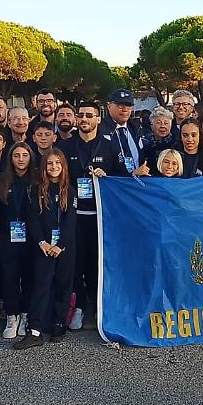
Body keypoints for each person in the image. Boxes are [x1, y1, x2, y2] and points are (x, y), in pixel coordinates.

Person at [57, 102, 125, 328]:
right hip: (74, 215)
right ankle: (77, 306)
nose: (84, 119)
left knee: (98, 262)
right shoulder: (66, 147)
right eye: (81, 115)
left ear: (98, 119)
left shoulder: (110, 146)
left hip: (100, 216)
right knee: (75, 262)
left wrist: (107, 177)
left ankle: (98, 306)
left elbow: (122, 179)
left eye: (89, 115)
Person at [16, 148, 77, 349]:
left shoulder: (69, 190)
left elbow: (70, 222)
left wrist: (61, 245)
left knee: (63, 285)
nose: (54, 167)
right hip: (43, 247)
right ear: (44, 167)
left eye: (58, 163)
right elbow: (32, 219)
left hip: (64, 248)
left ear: (63, 166)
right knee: (41, 286)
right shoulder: (36, 190)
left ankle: (59, 323)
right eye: (50, 163)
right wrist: (42, 242)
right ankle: (34, 330)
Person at [0, 143, 37, 339]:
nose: (20, 159)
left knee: (29, 278)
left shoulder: (36, 180)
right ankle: (12, 315)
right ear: (11, 158)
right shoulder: (3, 179)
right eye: (16, 155)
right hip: (8, 236)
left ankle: (26, 314)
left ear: (30, 158)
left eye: (24, 155)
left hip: (31, 236)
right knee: (9, 278)